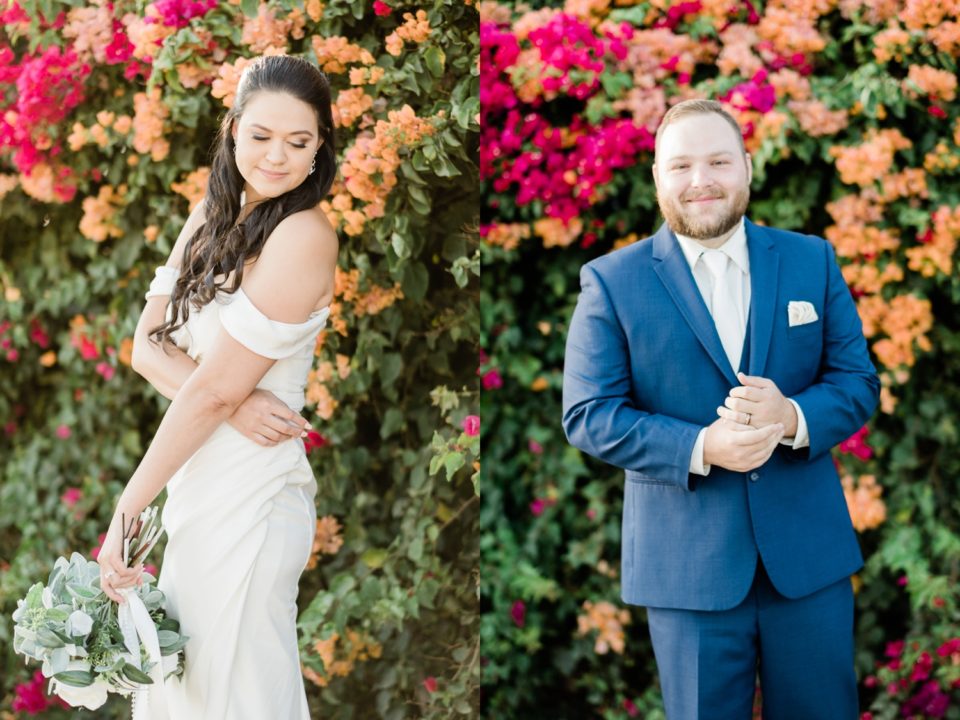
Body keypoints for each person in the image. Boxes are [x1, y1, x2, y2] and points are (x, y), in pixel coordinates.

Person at [562, 99, 879, 719]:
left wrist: (790, 416)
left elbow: (856, 382)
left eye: (718, 161)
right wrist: (703, 447)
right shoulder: (612, 281)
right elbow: (589, 414)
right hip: (689, 571)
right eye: (680, 165)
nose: (700, 180)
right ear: (658, 178)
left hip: (808, 561)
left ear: (747, 168)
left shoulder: (810, 259)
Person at [95, 54, 339, 719]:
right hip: (202, 479)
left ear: (321, 147)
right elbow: (146, 346)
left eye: (299, 141)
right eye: (261, 135)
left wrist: (126, 514)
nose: (277, 156)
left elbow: (207, 392)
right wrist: (231, 403)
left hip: (254, 495)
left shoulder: (304, 235)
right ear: (233, 129)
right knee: (189, 691)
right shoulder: (210, 215)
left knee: (238, 689)